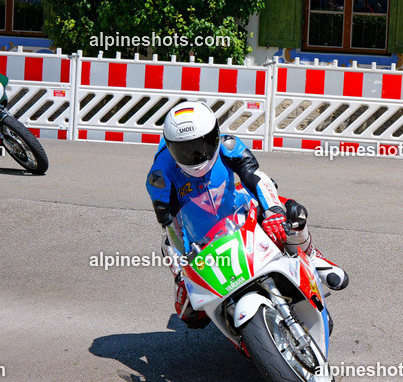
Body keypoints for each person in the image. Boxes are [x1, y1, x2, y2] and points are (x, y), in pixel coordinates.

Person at [146, 101, 348, 328]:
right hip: (199, 238)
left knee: (294, 214)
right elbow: (170, 226)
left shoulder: (228, 145)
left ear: (215, 135)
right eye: (184, 149)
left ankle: (311, 256)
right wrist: (184, 268)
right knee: (191, 316)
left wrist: (273, 211)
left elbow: (256, 176)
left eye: (202, 144)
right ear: (171, 147)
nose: (197, 156)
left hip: (238, 209)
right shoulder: (159, 176)